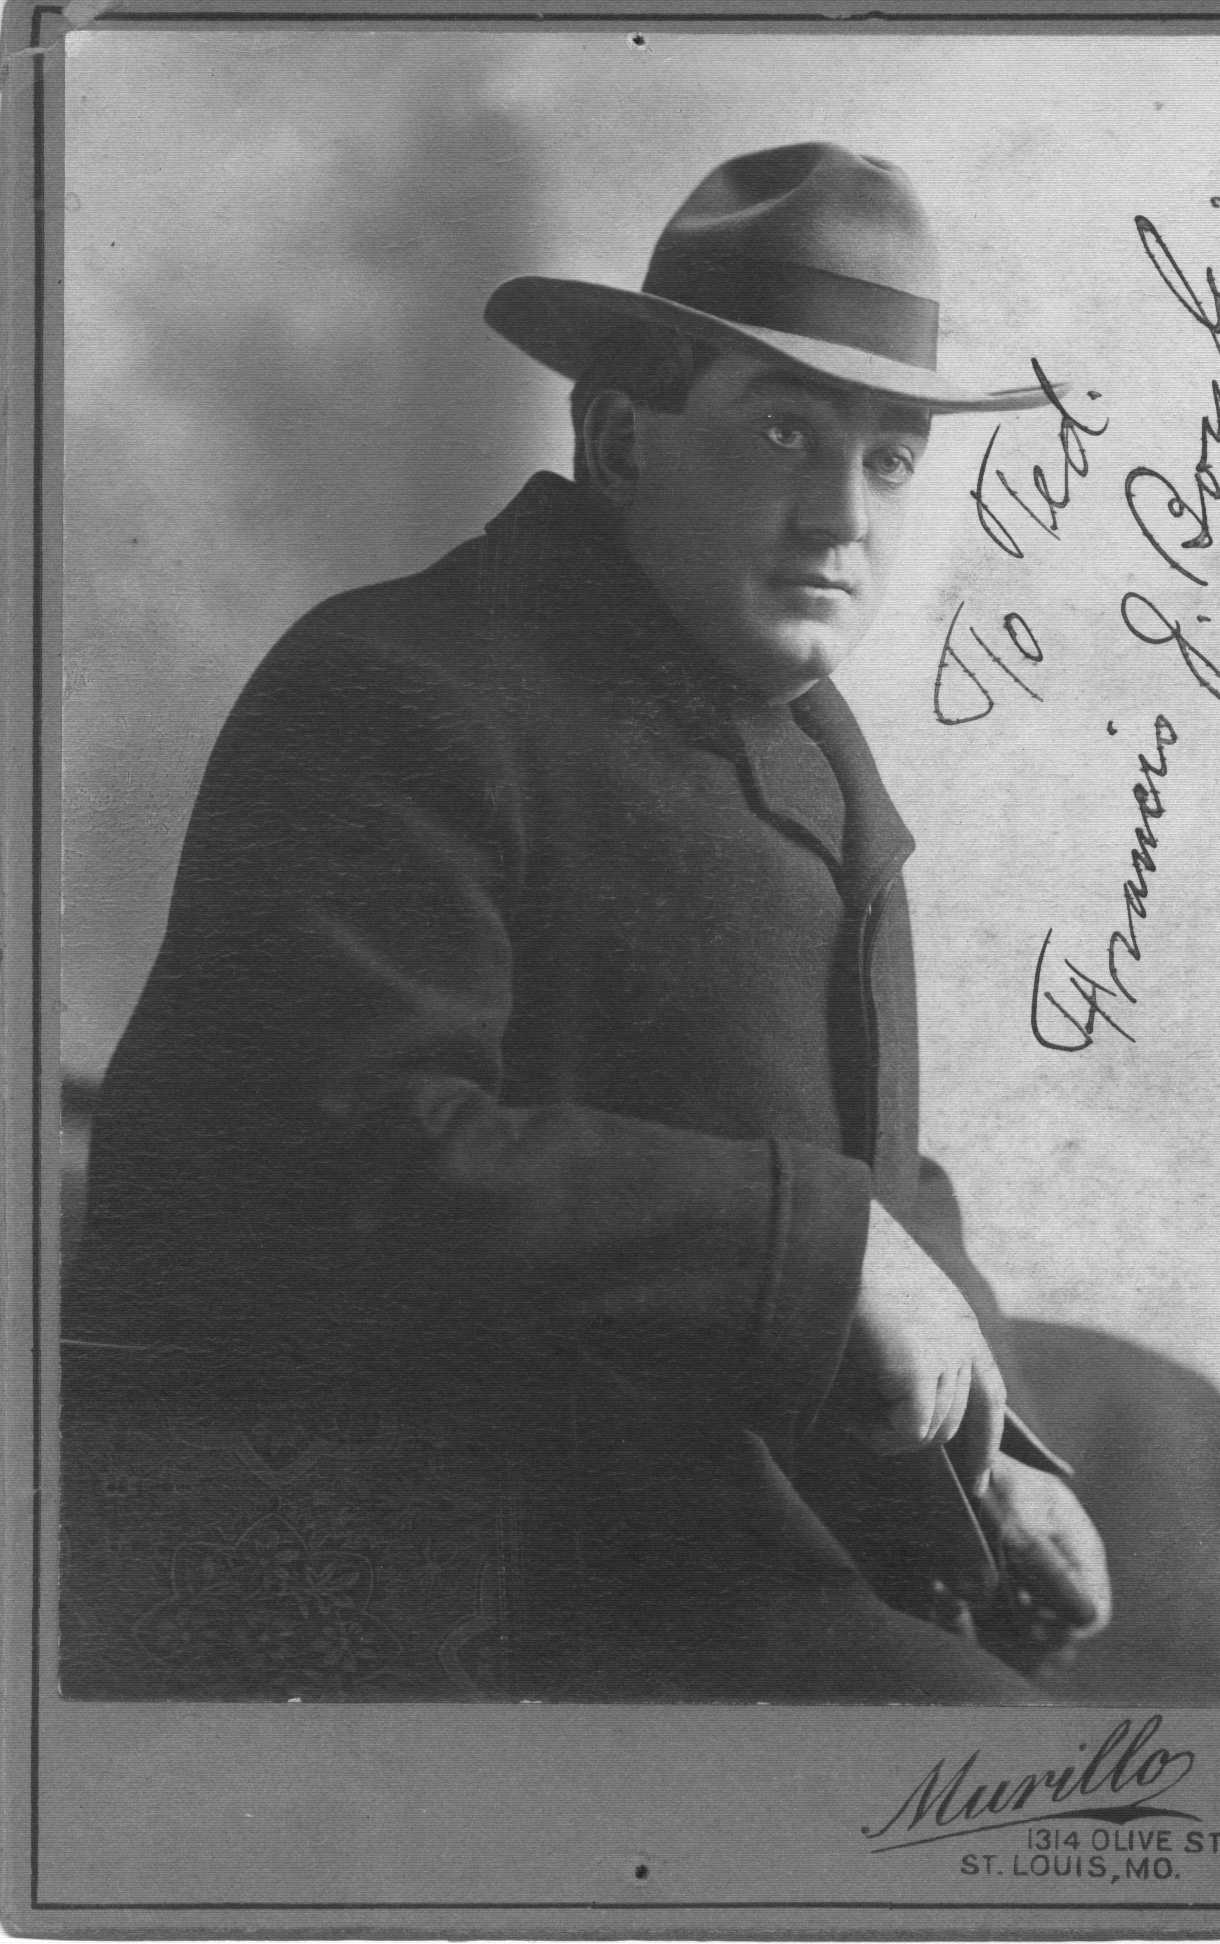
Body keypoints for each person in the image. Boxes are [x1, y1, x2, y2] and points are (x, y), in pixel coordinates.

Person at [61, 141, 1111, 1702]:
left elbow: (876, 1171)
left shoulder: (811, 750)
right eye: (785, 431)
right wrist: (817, 1257)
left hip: (719, 1522)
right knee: (1028, 1792)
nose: (842, 516)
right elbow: (338, 1160)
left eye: (889, 458)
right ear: (620, 439)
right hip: (455, 1558)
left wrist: (998, 1444)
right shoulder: (404, 686)